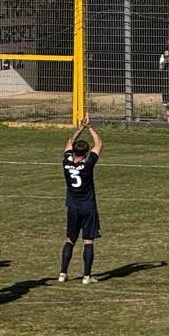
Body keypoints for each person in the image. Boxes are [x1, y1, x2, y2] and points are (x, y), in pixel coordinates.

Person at [60, 119, 103, 284]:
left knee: (70, 239)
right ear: (86, 153)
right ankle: (86, 276)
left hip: (72, 206)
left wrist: (80, 129)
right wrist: (90, 127)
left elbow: (69, 142)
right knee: (88, 240)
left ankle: (63, 273)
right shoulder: (88, 164)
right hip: (88, 206)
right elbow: (99, 144)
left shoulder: (66, 162)